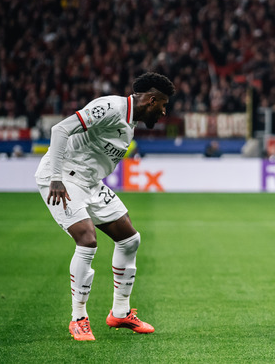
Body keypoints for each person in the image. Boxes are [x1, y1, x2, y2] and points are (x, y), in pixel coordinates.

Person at [35, 72, 175, 341]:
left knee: (130, 239)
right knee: (87, 240)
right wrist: (55, 178)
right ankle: (78, 318)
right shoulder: (111, 107)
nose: (164, 111)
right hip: (62, 177)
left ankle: (120, 313)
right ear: (152, 99)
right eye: (163, 104)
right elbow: (60, 129)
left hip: (89, 183)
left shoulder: (129, 123)